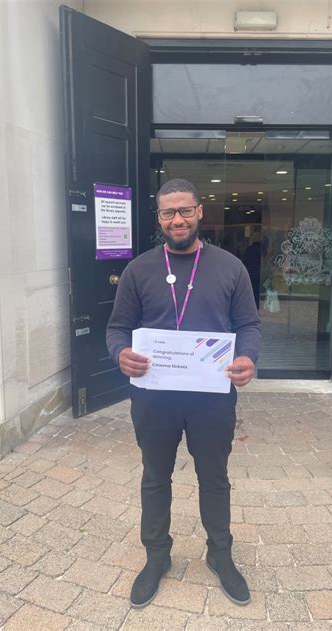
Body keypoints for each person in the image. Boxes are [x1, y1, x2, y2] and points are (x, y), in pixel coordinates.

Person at [106, 178, 261, 609]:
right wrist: (120, 353)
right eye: (168, 212)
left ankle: (220, 554)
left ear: (199, 212)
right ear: (159, 218)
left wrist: (247, 357)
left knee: (214, 478)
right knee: (155, 478)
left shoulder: (230, 267)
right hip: (154, 397)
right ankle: (157, 557)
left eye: (185, 210)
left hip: (212, 397)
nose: (177, 219)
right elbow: (117, 328)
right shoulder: (139, 270)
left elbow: (248, 325)